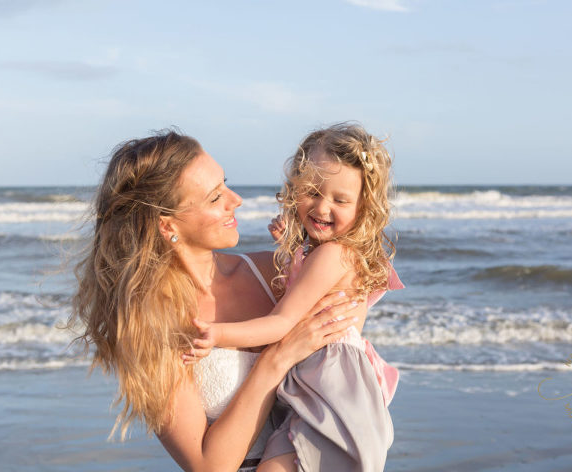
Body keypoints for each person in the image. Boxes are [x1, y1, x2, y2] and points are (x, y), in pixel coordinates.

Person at [68, 129, 360, 472]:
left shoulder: (273, 271)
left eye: (226, 183)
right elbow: (209, 467)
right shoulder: (151, 322)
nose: (235, 199)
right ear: (167, 226)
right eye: (213, 197)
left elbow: (345, 350)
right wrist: (276, 359)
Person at [189, 123, 403, 472]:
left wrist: (218, 335)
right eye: (313, 191)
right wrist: (293, 249)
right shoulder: (325, 253)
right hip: (320, 386)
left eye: (340, 199)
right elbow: (305, 291)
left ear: (364, 208)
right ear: (294, 189)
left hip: (331, 394)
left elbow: (282, 322)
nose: (322, 207)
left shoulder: (332, 255)